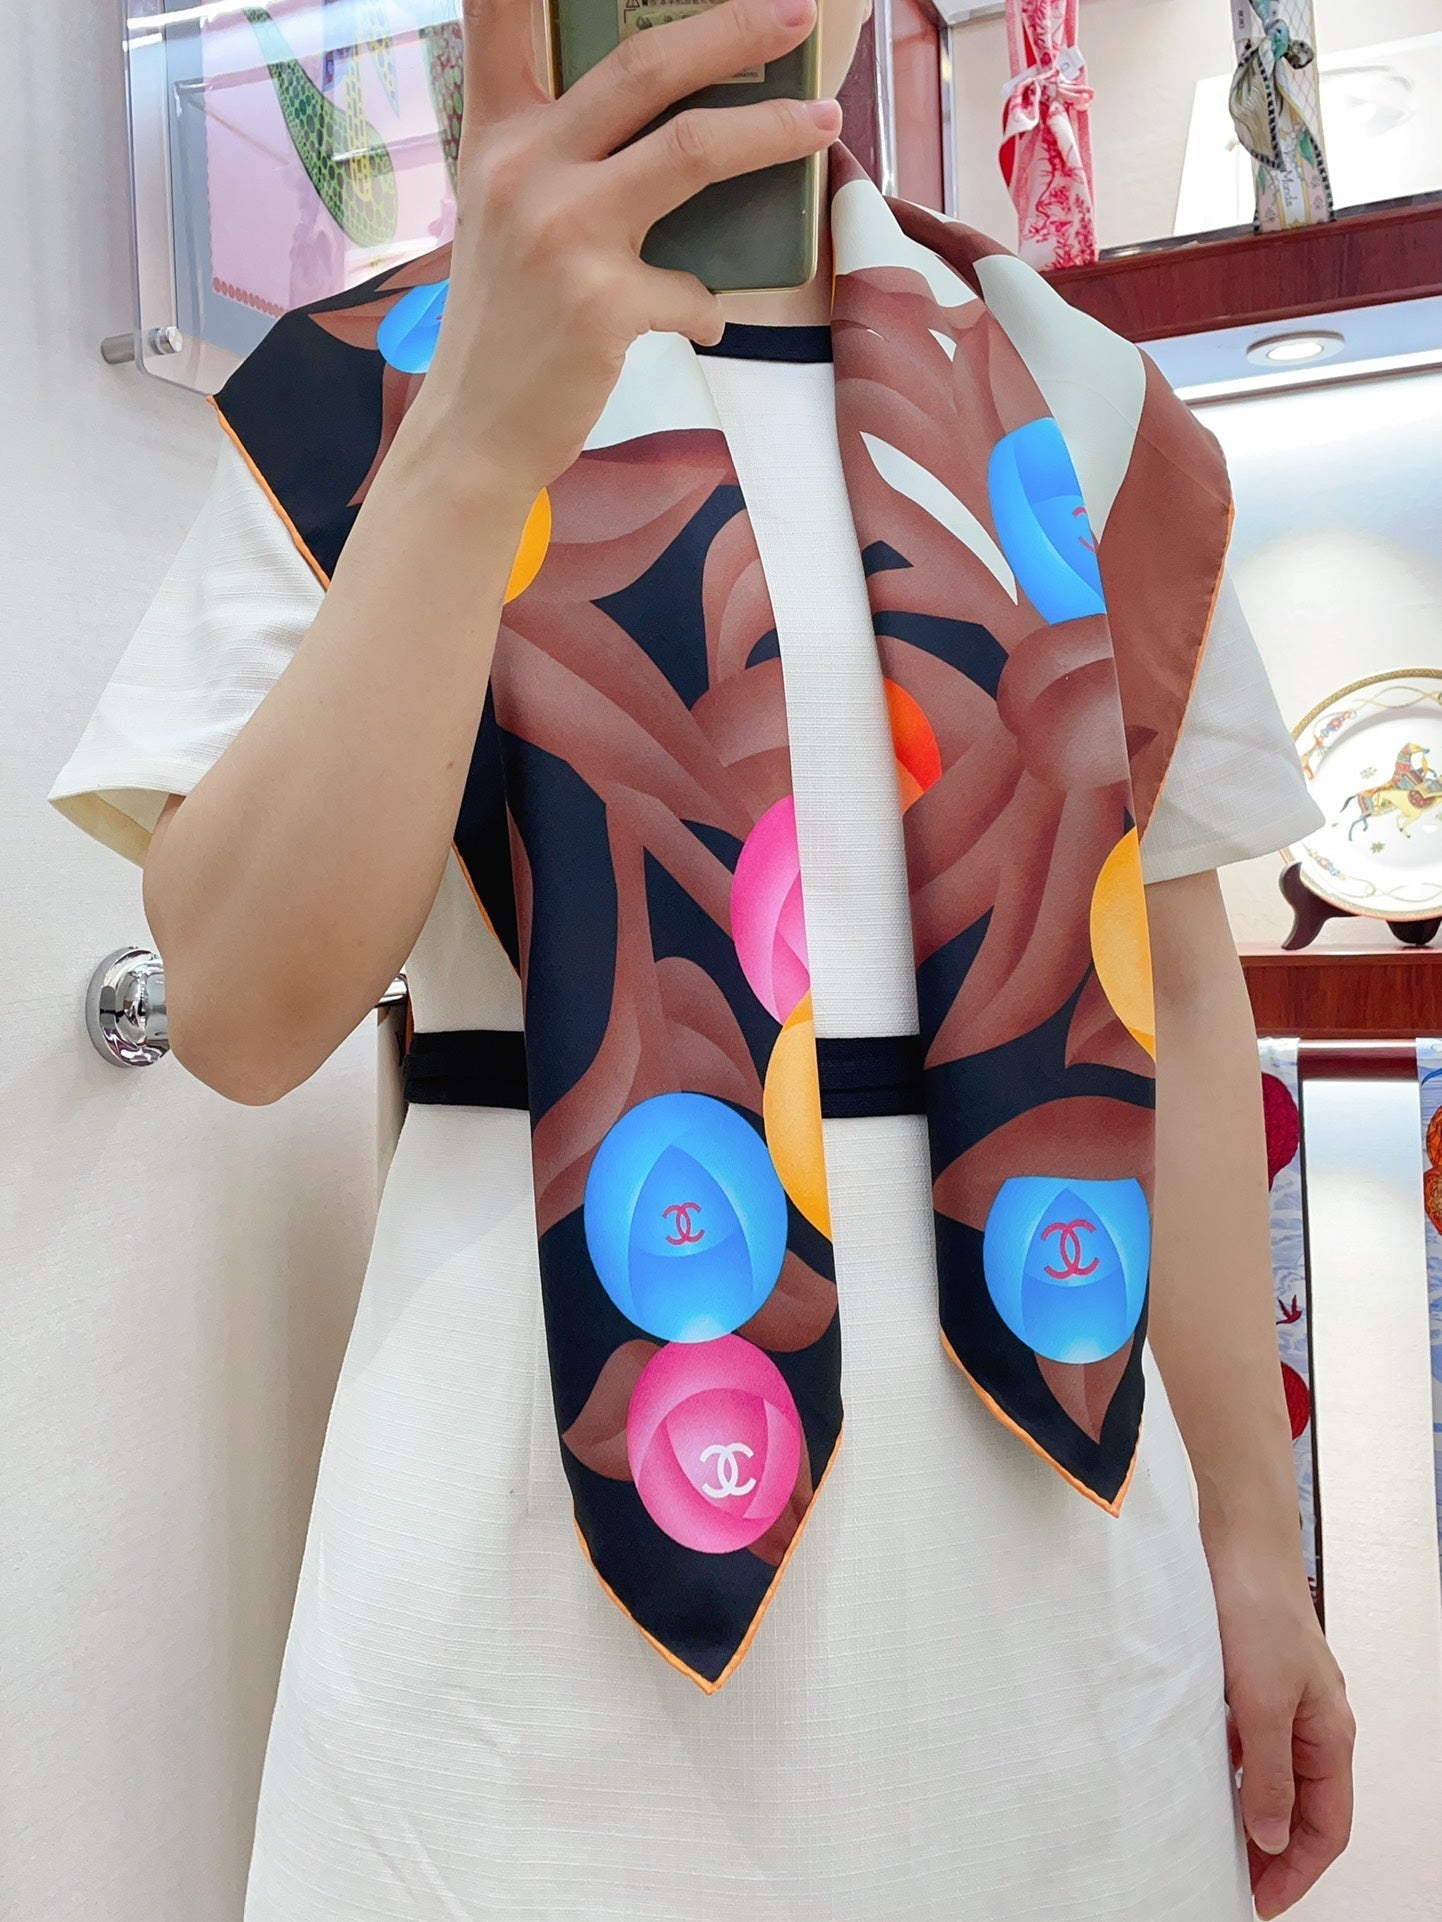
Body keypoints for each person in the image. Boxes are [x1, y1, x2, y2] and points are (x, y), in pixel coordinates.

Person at [52, 0, 1356, 1915]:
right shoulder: (359, 390)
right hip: (521, 1614)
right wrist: (473, 435)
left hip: (1062, 1618)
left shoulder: (1075, 391)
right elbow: (241, 1016)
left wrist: (1252, 1530)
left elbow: (1169, 968)